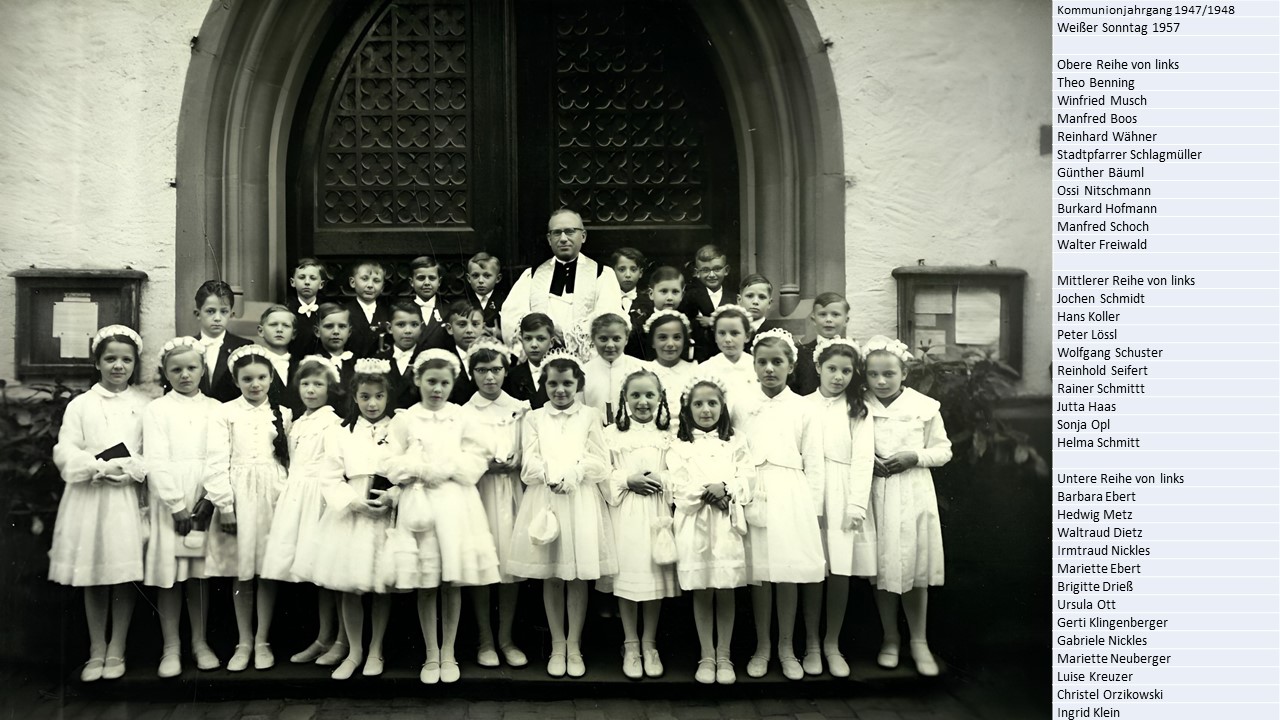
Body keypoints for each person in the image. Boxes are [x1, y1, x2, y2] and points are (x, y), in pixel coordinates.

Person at [384, 349, 502, 684]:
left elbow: (479, 455)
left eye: (445, 383)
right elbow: (389, 461)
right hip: (419, 503)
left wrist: (449, 468)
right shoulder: (405, 418)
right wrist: (418, 468)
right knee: (426, 581)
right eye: (431, 382)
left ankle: (448, 651)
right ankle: (431, 653)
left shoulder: (461, 417)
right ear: (418, 380)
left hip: (454, 503)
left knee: (450, 580)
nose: (437, 389)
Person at [505, 350, 617, 678]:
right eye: (553, 384)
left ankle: (574, 644)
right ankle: (556, 644)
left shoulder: (590, 416)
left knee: (577, 574)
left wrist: (577, 473)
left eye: (567, 383)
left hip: (581, 500)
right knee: (553, 574)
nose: (560, 390)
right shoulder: (535, 418)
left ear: (578, 384)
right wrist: (552, 474)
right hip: (546, 499)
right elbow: (528, 466)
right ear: (544, 385)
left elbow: (600, 461)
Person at [50, 325, 150, 682]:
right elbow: (66, 448)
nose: (118, 366)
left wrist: (132, 472)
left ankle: (117, 647)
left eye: (126, 360)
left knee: (122, 573)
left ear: (135, 363)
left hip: (124, 497)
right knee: (94, 574)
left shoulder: (143, 405)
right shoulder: (81, 405)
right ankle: (96, 648)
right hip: (90, 497)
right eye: (110, 359)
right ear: (97, 363)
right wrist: (91, 467)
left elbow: (148, 452)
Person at [732, 329, 825, 681]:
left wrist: (813, 509)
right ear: (753, 365)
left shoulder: (804, 408)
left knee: (787, 572)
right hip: (754, 490)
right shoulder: (741, 403)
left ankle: (786, 646)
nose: (769, 369)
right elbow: (734, 450)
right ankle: (762, 646)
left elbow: (813, 461)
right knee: (760, 574)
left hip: (790, 492)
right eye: (763, 362)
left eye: (777, 362)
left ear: (791, 365)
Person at [861, 336, 952, 677]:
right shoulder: (859, 405)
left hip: (913, 493)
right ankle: (890, 638)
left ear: (904, 373)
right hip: (875, 493)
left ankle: (919, 641)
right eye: (872, 375)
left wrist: (914, 457)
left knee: (913, 568)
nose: (880, 381)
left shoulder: (924, 406)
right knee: (882, 569)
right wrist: (864, 459)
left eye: (888, 374)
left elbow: (943, 451)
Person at [203, 345, 293, 672]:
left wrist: (285, 500)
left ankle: (263, 641)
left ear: (271, 378)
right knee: (242, 570)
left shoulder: (283, 413)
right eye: (247, 379)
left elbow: (287, 462)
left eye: (261, 377)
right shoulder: (224, 413)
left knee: (266, 569)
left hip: (272, 496)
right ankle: (244, 641)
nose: (255, 384)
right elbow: (215, 461)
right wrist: (225, 505)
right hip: (238, 495)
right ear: (236, 380)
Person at [308, 359, 398, 679]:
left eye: (378, 396)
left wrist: (394, 494)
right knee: (350, 584)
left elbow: (407, 469)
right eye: (364, 396)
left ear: (388, 396)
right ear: (354, 397)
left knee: (381, 582)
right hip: (353, 511)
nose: (371, 403)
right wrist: (355, 503)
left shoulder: (399, 427)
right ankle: (355, 650)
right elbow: (330, 477)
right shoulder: (342, 431)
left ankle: (376, 650)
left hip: (387, 510)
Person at [143, 337, 224, 677]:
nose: (185, 375)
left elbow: (220, 456)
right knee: (170, 575)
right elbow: (156, 460)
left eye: (192, 368)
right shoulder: (157, 410)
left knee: (196, 573)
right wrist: (176, 506)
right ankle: (171, 646)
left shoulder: (216, 409)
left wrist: (208, 500)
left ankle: (200, 642)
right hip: (170, 498)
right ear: (165, 372)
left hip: (204, 497)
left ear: (203, 369)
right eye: (176, 369)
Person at [261, 356, 347, 667]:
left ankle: (336, 639)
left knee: (326, 571)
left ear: (330, 388)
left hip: (319, 498)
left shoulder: (332, 422)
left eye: (318, 384)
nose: (311, 390)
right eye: (306, 384)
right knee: (310, 572)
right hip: (296, 497)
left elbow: (335, 466)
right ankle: (322, 637)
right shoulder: (298, 421)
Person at [668, 375, 752, 685]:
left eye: (712, 403)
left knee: (725, 587)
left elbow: (748, 477)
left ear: (723, 407)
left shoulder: (736, 440)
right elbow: (676, 485)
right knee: (702, 588)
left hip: (725, 521)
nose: (706, 410)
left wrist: (726, 488)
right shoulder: (678, 444)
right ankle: (706, 654)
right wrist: (707, 492)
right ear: (687, 408)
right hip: (695, 522)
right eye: (698, 404)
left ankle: (725, 654)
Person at [799, 339, 875, 678]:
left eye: (846, 370)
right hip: (809, 490)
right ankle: (812, 644)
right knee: (815, 568)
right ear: (818, 368)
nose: (838, 376)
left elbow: (863, 459)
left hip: (844, 491)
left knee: (840, 569)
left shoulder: (858, 409)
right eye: (832, 368)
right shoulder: (802, 406)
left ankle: (832, 643)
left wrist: (857, 503)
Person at [601, 370, 678, 679]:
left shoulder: (669, 435)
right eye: (635, 395)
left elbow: (682, 471)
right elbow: (602, 473)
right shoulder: (612, 435)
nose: (643, 402)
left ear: (660, 399)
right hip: (625, 513)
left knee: (653, 577)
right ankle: (630, 642)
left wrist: (663, 478)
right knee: (629, 576)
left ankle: (650, 643)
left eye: (649, 395)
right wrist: (626, 479)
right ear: (625, 399)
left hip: (657, 511)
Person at [462, 339, 532, 669]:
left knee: (509, 566)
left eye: (496, 370)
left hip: (512, 492)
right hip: (481, 494)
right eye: (482, 370)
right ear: (472, 373)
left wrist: (519, 460)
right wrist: (483, 464)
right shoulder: (464, 413)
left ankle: (506, 637)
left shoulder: (520, 409)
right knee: (484, 566)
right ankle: (485, 639)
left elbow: (532, 450)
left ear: (505, 371)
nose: (489, 377)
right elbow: (461, 457)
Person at [499, 209, 623, 351]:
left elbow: (608, 317)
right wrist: (543, 333)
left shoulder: (602, 274)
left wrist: (567, 335)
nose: (563, 238)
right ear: (549, 239)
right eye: (557, 233)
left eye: (570, 231)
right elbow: (512, 318)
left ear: (583, 236)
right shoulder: (532, 275)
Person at [193, 280, 253, 402]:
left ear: (231, 314)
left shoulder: (244, 347)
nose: (217, 318)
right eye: (210, 311)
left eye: (224, 311)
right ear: (198, 314)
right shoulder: (188, 346)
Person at [582, 312, 647, 421]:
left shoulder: (641, 369)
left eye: (616, 339)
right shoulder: (582, 373)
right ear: (593, 339)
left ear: (626, 339)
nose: (610, 345)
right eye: (603, 339)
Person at [679, 245, 736, 362]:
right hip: (700, 357)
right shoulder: (691, 297)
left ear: (726, 271)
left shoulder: (734, 298)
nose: (711, 275)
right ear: (697, 273)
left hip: (727, 356)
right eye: (705, 270)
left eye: (717, 269)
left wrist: (713, 322)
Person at [698, 305, 757, 398]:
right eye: (722, 333)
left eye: (734, 333)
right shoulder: (705, 369)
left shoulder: (756, 366)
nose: (728, 339)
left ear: (747, 336)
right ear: (715, 337)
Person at [503, 313, 557, 410]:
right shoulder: (510, 377)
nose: (534, 345)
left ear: (551, 342)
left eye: (540, 339)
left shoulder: (563, 373)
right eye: (528, 338)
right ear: (521, 340)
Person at [379, 300, 425, 410]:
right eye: (401, 325)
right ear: (390, 328)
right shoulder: (378, 360)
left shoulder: (427, 360)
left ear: (421, 328)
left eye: (414, 325)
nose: (408, 331)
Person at [643, 310, 699, 395]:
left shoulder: (694, 371)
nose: (670, 344)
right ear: (652, 342)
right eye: (663, 337)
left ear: (684, 341)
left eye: (676, 337)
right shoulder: (645, 371)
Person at [257, 304, 299, 412]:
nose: (279, 330)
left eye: (286, 325)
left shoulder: (300, 365)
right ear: (261, 331)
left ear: (293, 333)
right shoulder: (255, 362)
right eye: (273, 324)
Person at [345, 260, 391, 358]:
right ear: (353, 282)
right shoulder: (343, 312)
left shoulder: (389, 313)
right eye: (364, 279)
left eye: (376, 281)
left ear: (382, 287)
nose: (370, 285)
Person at [408, 255, 452, 351]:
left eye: (432, 278)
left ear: (439, 281)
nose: (427, 283)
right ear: (412, 282)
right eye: (421, 278)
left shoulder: (448, 310)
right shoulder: (403, 309)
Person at [286, 258, 326, 360]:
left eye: (313, 278)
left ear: (321, 284)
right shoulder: (286, 311)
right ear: (292, 282)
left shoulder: (327, 311)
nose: (307, 282)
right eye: (302, 277)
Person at [464, 252, 507, 339]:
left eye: (487, 276)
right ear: (469, 278)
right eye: (475, 276)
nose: (480, 281)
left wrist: (500, 334)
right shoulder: (464, 302)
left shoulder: (504, 302)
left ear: (498, 278)